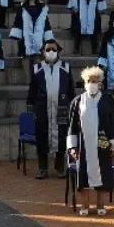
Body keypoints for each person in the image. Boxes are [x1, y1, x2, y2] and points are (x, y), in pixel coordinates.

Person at [67, 66, 114, 216]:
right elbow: (72, 126)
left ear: (100, 83)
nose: (92, 83)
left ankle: (100, 205)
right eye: (89, 81)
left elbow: (113, 122)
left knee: (102, 173)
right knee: (83, 175)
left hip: (102, 144)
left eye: (95, 81)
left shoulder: (107, 100)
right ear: (84, 82)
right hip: (84, 145)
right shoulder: (78, 101)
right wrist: (72, 147)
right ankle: (84, 206)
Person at [27, 39, 74, 179]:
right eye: (48, 49)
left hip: (62, 108)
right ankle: (42, 168)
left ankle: (60, 167)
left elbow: (71, 90)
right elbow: (32, 92)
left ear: (58, 51)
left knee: (61, 137)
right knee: (42, 138)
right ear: (43, 51)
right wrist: (31, 110)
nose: (51, 52)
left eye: (53, 49)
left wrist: (71, 107)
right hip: (42, 109)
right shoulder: (37, 69)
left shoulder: (66, 68)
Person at [10, 0, 53, 75]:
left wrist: (48, 37)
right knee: (26, 57)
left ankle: (36, 78)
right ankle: (28, 79)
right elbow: (18, 22)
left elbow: (46, 23)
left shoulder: (42, 8)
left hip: (39, 36)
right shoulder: (22, 8)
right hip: (25, 37)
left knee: (38, 56)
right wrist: (18, 36)